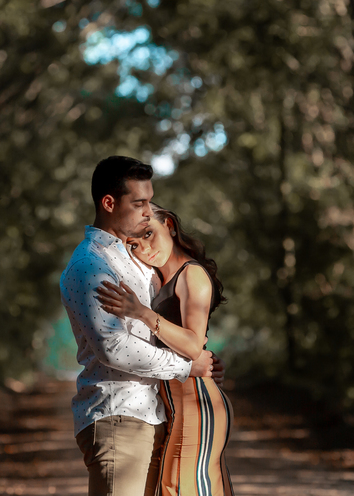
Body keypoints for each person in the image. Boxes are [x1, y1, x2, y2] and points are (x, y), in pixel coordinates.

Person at [60, 156, 220, 496]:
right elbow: (113, 347)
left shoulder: (133, 256)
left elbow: (170, 325)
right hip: (118, 416)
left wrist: (201, 359)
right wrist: (187, 367)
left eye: (150, 201)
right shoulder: (91, 265)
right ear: (109, 203)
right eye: (139, 203)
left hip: (154, 414)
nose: (148, 212)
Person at [95, 202, 234, 496]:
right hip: (175, 406)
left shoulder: (191, 275)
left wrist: (142, 313)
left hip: (197, 405)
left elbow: (194, 345)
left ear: (168, 224)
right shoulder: (159, 280)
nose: (144, 249)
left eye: (148, 234)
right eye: (133, 245)